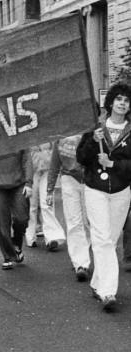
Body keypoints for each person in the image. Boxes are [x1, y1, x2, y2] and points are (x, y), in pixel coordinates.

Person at [76, 82, 131, 311]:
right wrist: (91, 140)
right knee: (102, 238)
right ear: (110, 102)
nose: (122, 103)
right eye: (118, 99)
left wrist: (114, 164)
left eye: (126, 101)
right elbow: (81, 157)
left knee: (111, 238)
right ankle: (108, 292)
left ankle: (98, 281)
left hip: (120, 190)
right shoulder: (96, 128)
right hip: (96, 189)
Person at [47, 133, 91, 281]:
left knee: (90, 222)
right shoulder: (60, 134)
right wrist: (49, 189)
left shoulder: (90, 128)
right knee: (74, 223)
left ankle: (96, 256)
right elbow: (54, 163)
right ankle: (80, 263)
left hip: (91, 179)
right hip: (68, 179)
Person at [0, 151, 33, 270]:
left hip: (19, 184)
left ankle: (16, 243)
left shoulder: (18, 136)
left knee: (22, 218)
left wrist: (29, 183)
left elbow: (27, 160)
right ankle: (8, 256)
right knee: (2, 223)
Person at [25, 142, 66, 251]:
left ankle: (52, 237)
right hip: (30, 170)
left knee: (46, 203)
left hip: (48, 167)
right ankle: (30, 236)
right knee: (31, 205)